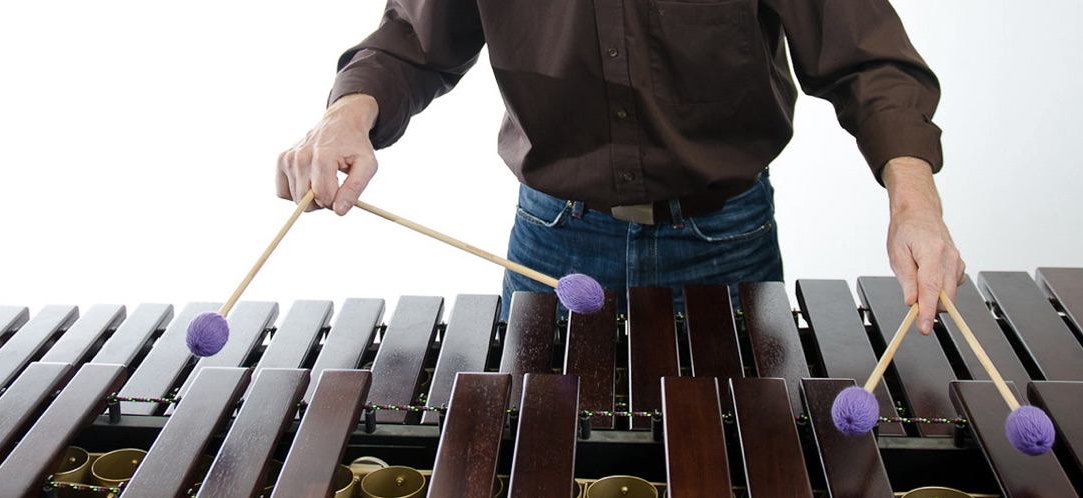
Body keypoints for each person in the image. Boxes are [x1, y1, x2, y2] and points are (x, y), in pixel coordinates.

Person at [276, 0, 964, 335]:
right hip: (555, 239)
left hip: (723, 242)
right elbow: (411, 44)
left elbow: (869, 59)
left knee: (733, 464)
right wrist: (346, 117)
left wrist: (915, 206)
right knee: (535, 460)